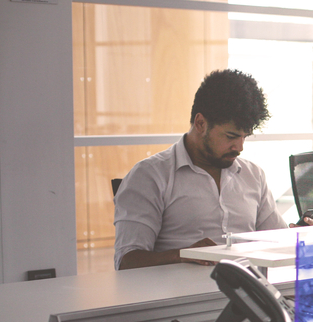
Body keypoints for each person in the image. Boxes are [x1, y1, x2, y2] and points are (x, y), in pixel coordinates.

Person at [113, 69, 288, 270]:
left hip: (250, 294)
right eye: (230, 137)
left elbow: (279, 240)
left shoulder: (253, 175)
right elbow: (126, 261)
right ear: (201, 123)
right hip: (184, 298)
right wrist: (184, 255)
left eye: (244, 137)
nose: (239, 148)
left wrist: (300, 233)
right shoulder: (150, 176)